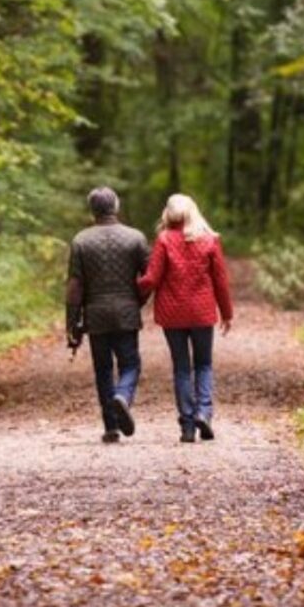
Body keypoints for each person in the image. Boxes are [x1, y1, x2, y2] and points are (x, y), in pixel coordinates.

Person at [137, 193, 233, 443]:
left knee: (181, 368)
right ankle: (204, 412)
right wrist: (227, 313)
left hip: (172, 315)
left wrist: (129, 288)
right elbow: (221, 281)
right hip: (202, 313)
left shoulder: (164, 240)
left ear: (167, 214)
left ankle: (188, 426)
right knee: (203, 365)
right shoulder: (209, 240)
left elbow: (151, 279)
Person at [66, 187, 150, 444]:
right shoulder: (135, 238)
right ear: (116, 206)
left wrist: (72, 325)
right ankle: (123, 396)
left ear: (92, 210)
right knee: (130, 364)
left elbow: (75, 286)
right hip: (126, 313)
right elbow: (149, 278)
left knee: (103, 369)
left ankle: (111, 427)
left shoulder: (81, 241)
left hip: (96, 315)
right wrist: (137, 302)